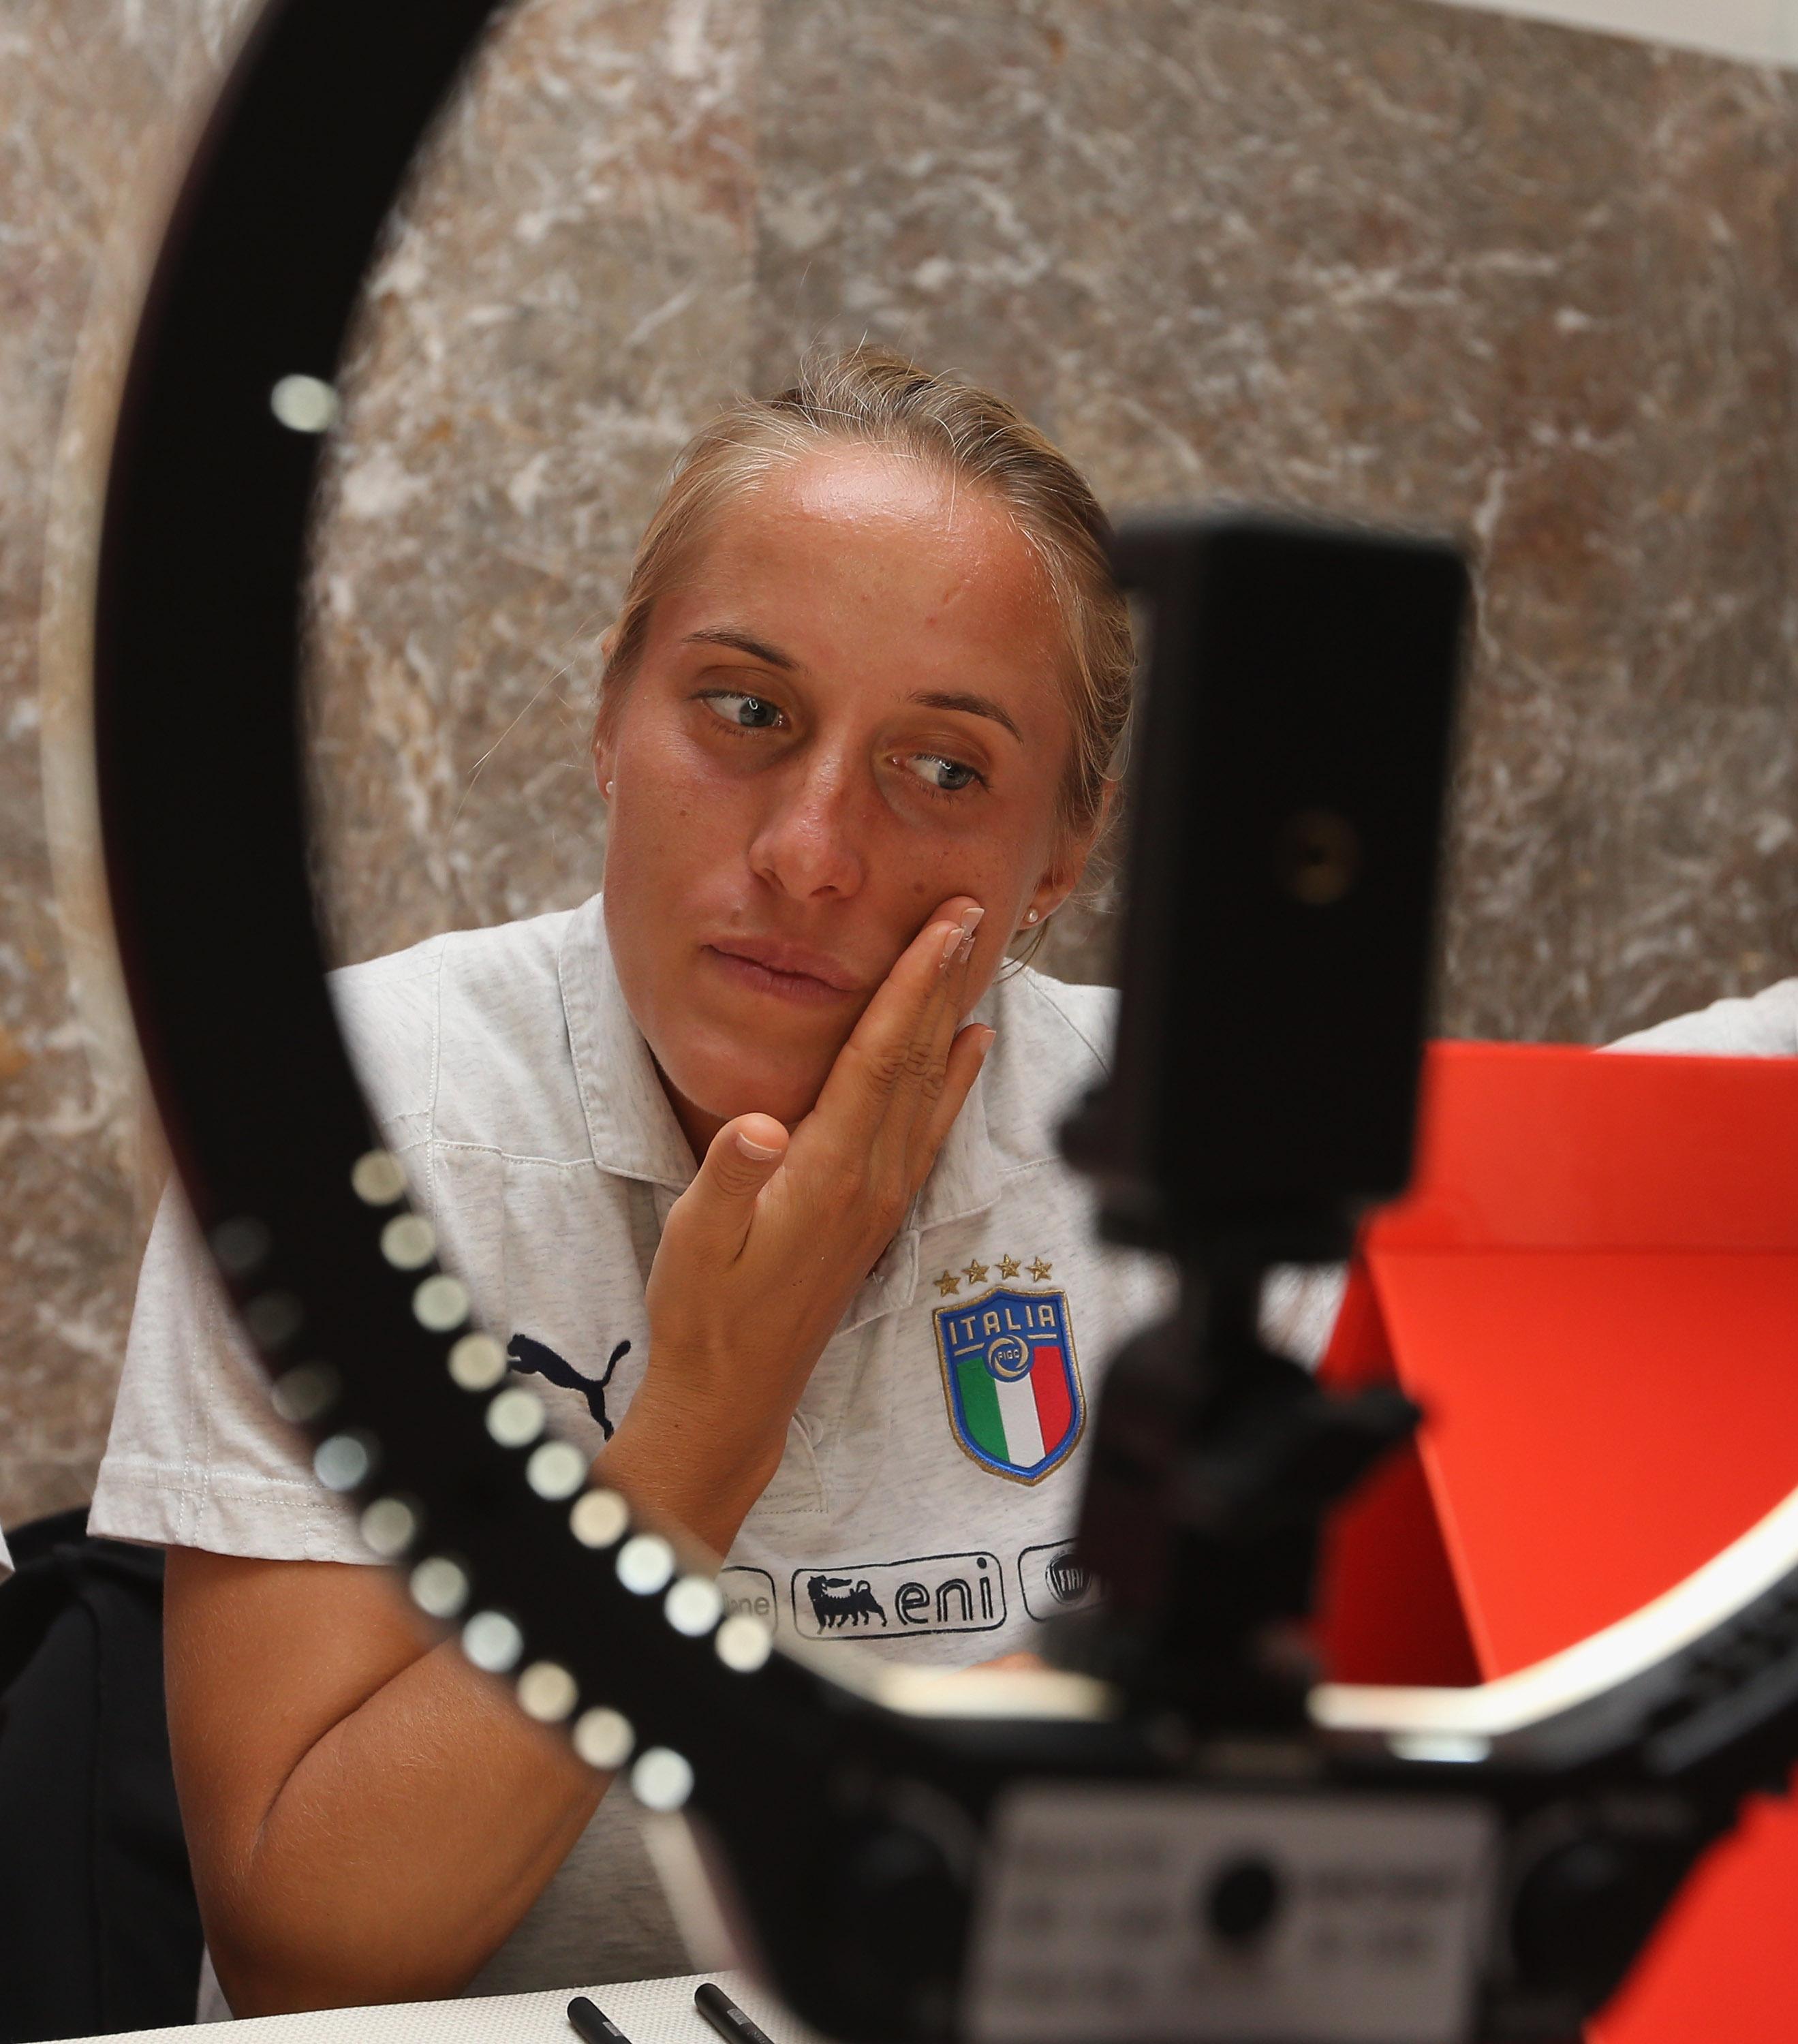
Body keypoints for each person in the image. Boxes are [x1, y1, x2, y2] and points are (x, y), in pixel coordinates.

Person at [89, 348, 1221, 2015]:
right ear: (611, 717)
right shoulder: (349, 1114)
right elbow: (308, 1947)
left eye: (948, 769)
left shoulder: (1187, 1159)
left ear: (1063, 849)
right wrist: (701, 1429)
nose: (811, 850)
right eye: (748, 713)